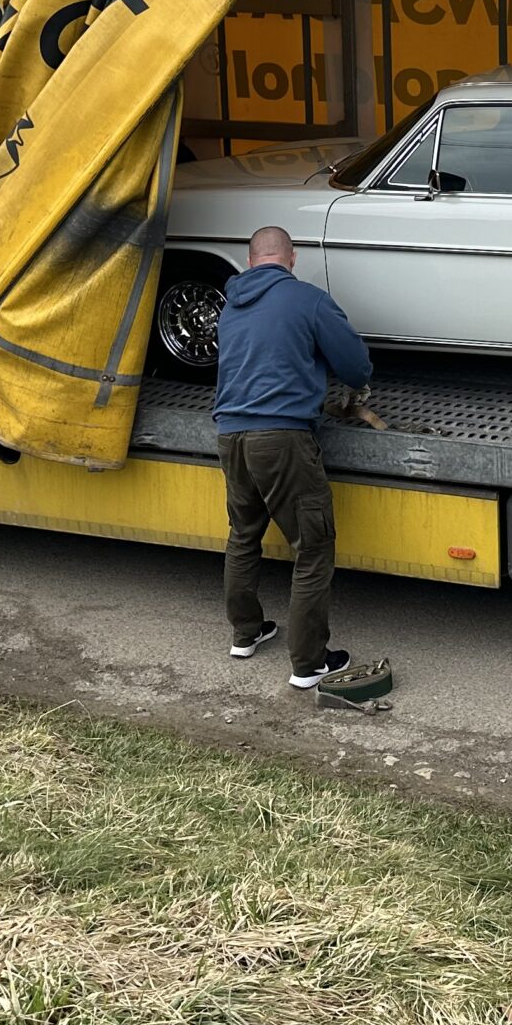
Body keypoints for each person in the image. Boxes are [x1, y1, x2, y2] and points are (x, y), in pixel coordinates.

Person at [213, 225, 372, 688]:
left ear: (251, 261)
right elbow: (355, 366)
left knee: (244, 534)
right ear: (292, 258)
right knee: (313, 547)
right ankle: (310, 663)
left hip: (230, 434)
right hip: (281, 437)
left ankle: (245, 633)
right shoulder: (307, 299)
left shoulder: (230, 307)